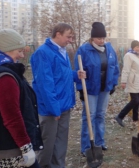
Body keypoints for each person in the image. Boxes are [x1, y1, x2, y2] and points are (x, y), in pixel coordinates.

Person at [30, 23, 85, 167]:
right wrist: (54, 109)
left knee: (61, 143)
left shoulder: (62, 51)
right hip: (51, 109)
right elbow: (45, 84)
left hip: (64, 105)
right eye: (68, 36)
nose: (70, 40)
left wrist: (75, 75)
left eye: (72, 37)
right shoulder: (43, 53)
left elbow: (61, 75)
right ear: (58, 34)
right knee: (47, 145)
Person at [0, 29, 43, 167]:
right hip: (10, 151)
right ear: (6, 50)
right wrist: (26, 148)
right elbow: (12, 117)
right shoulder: (5, 77)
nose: (22, 55)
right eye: (19, 51)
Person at [74, 22, 119, 155]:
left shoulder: (109, 49)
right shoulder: (83, 50)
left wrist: (113, 83)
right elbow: (78, 71)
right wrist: (81, 90)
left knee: (100, 115)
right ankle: (86, 146)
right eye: (99, 38)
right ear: (92, 38)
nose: (101, 41)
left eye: (103, 38)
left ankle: (99, 142)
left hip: (104, 89)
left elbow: (115, 67)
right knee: (89, 116)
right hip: (91, 89)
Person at [115, 40, 139, 127]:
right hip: (132, 81)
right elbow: (126, 69)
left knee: (138, 100)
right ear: (133, 47)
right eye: (137, 47)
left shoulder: (136, 56)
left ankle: (135, 118)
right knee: (135, 100)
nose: (138, 49)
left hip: (138, 81)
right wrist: (123, 81)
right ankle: (120, 116)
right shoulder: (128, 55)